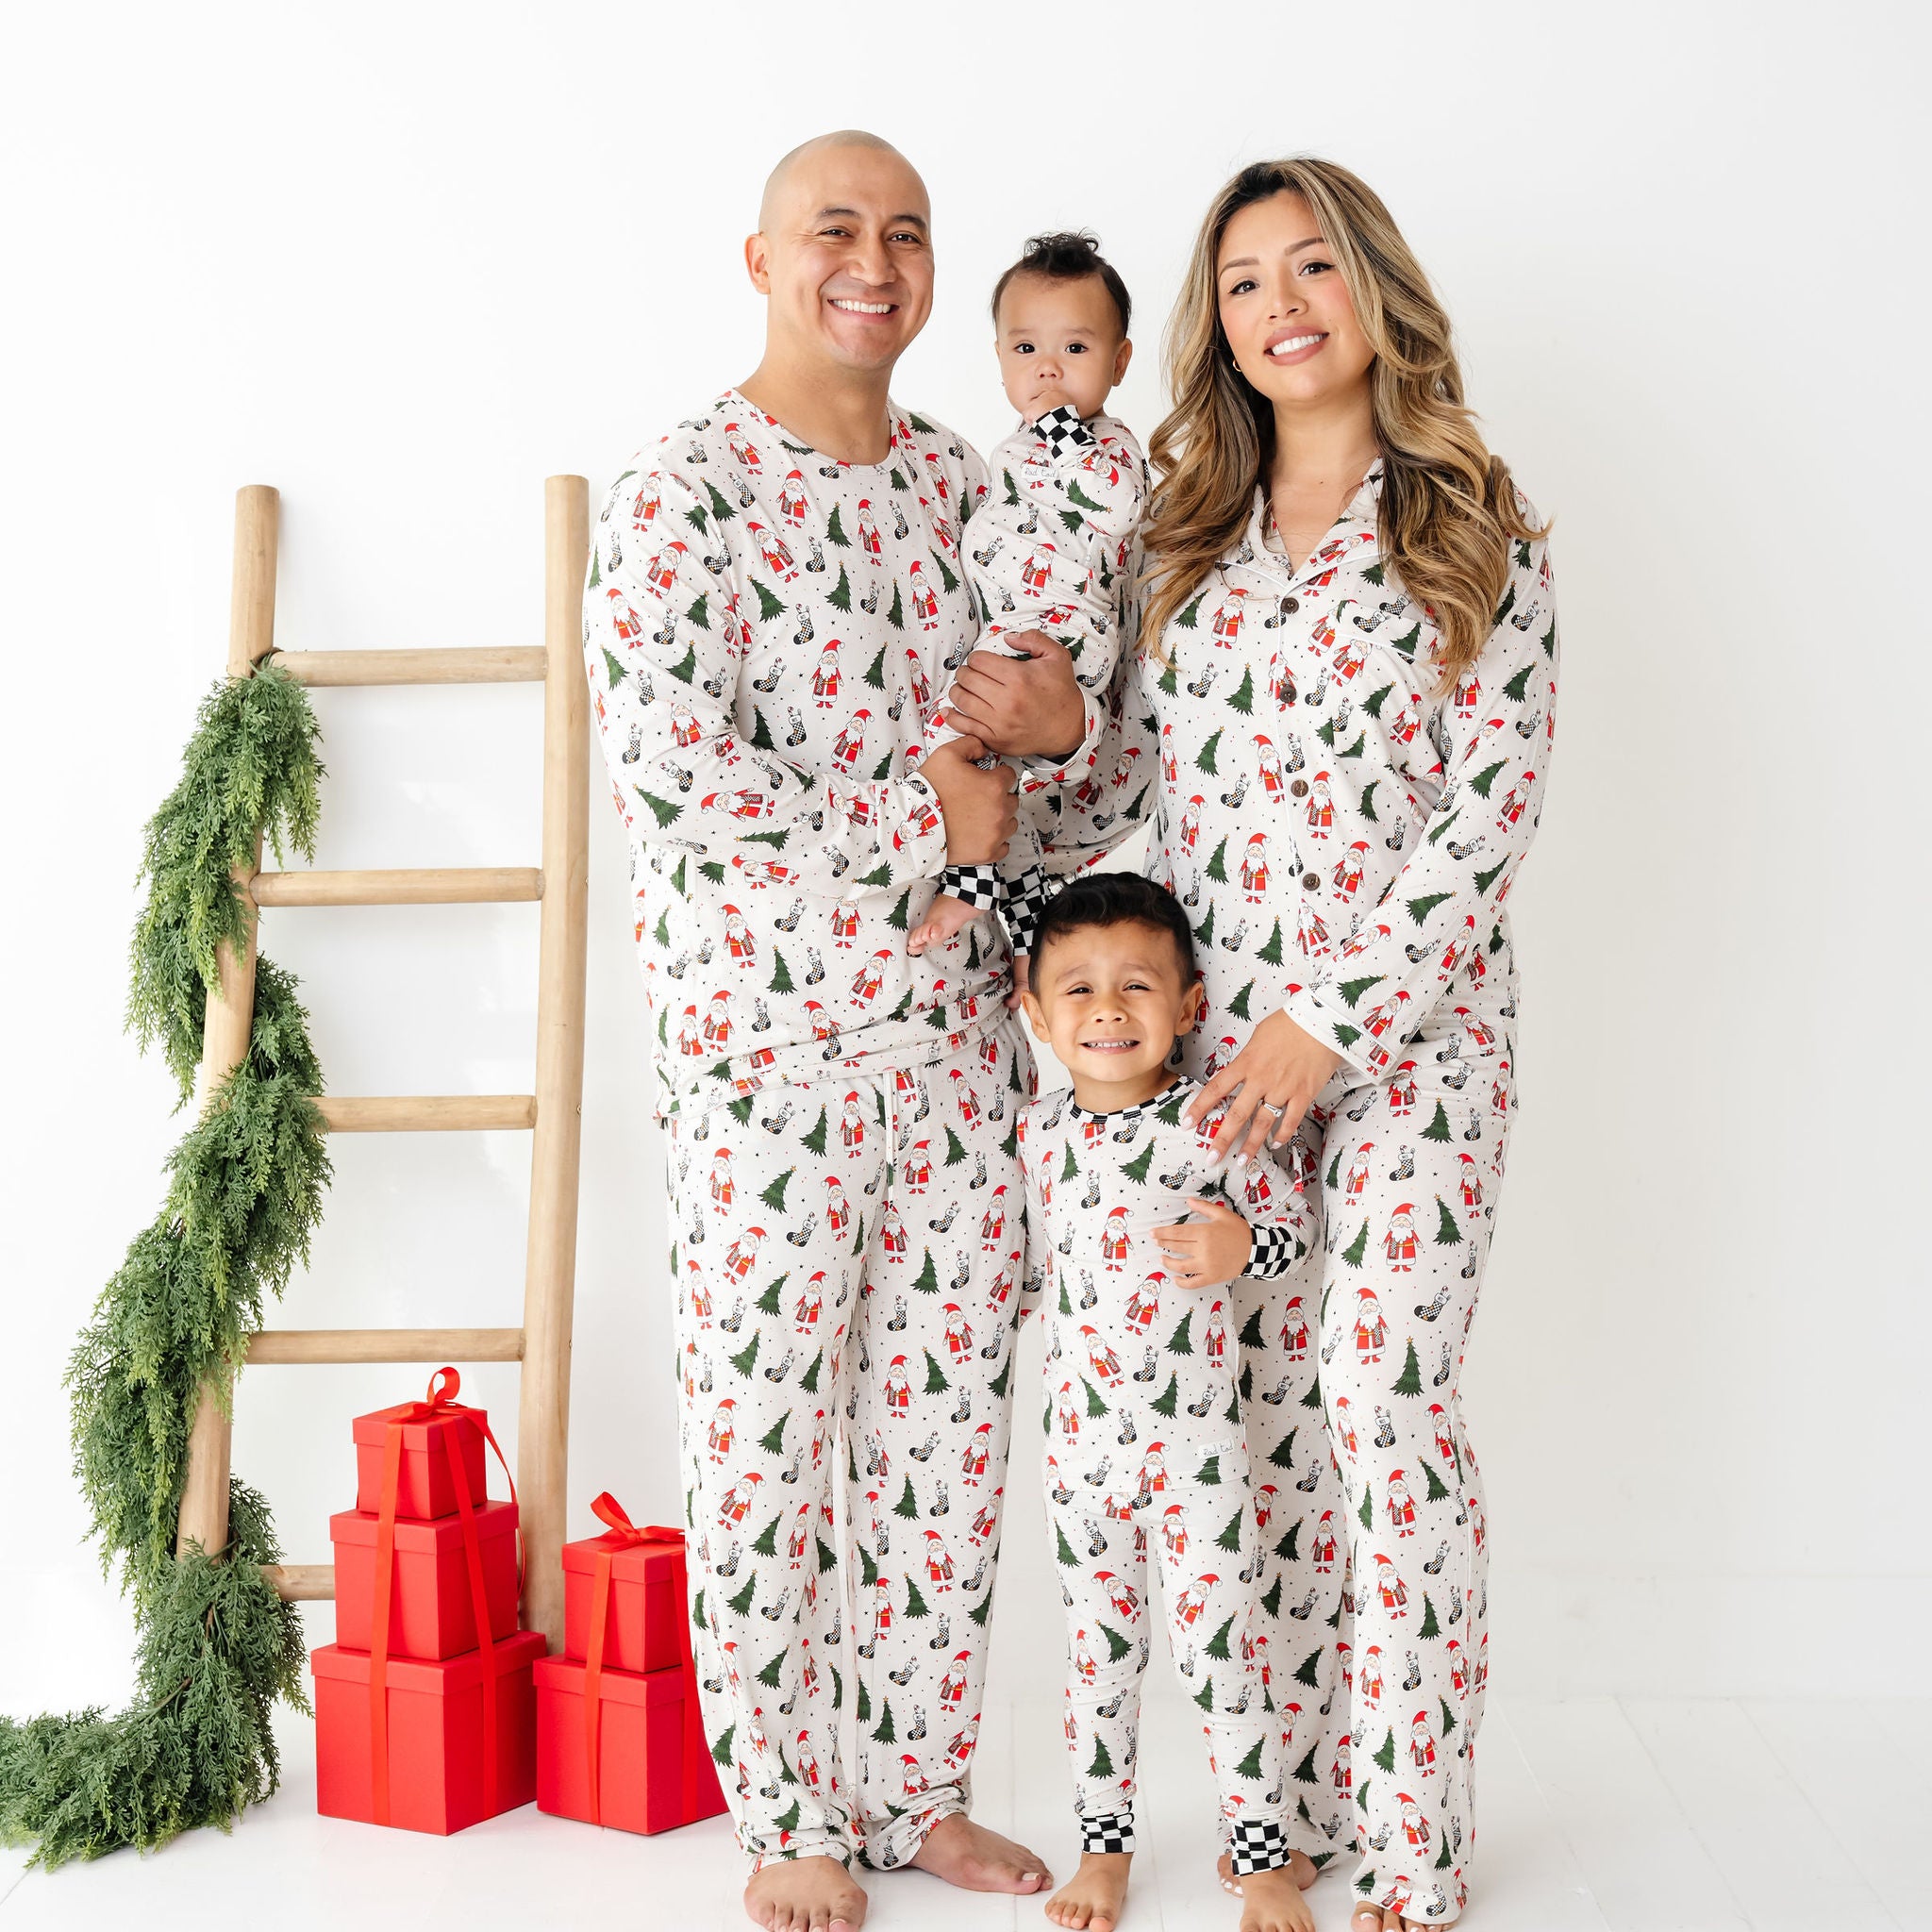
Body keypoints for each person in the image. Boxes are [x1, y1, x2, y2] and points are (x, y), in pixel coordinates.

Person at [1038, 157, 1560, 1931]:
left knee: (1379, 1395)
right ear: (1222, 328)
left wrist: (1328, 1022)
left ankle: (1411, 1849)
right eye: (1243, 279)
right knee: (1260, 1433)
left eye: (1310, 262)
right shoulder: (1189, 546)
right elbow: (1140, 799)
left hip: (1403, 1053)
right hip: (1219, 1076)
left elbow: (1484, 819)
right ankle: (1309, 1805)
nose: (1279, 301)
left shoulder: (1473, 520)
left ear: (1371, 288)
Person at [581, 130, 1089, 1932]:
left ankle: (917, 1787)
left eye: (904, 233)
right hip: (764, 1067)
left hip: (959, 1057)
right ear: (755, 257)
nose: (870, 262)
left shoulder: (968, 488)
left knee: (945, 1432)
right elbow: (677, 782)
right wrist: (923, 822)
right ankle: (789, 1804)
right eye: (831, 231)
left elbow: (1050, 788)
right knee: (768, 1438)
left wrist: (1066, 718)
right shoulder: (678, 495)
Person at [1015, 872, 1323, 1932]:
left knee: (1225, 1650)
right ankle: (1103, 1852)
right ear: (1035, 1008)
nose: (1107, 1009)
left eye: (1136, 984)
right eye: (1080, 990)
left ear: (1188, 1004)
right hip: (1080, 1454)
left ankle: (1263, 1856)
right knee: (1098, 1655)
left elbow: (1298, 1234)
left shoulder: (1211, 1123)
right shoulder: (1036, 1137)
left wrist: (1243, 1243)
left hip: (1196, 1451)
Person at [906, 232, 1146, 983]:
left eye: (1074, 348)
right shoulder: (1006, 450)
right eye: (1025, 348)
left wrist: (1060, 434)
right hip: (1013, 630)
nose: (1047, 368)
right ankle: (1026, 903)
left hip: (1062, 634)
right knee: (990, 780)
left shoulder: (1106, 447)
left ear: (1118, 362)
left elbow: (1115, 506)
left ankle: (972, 880)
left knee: (953, 750)